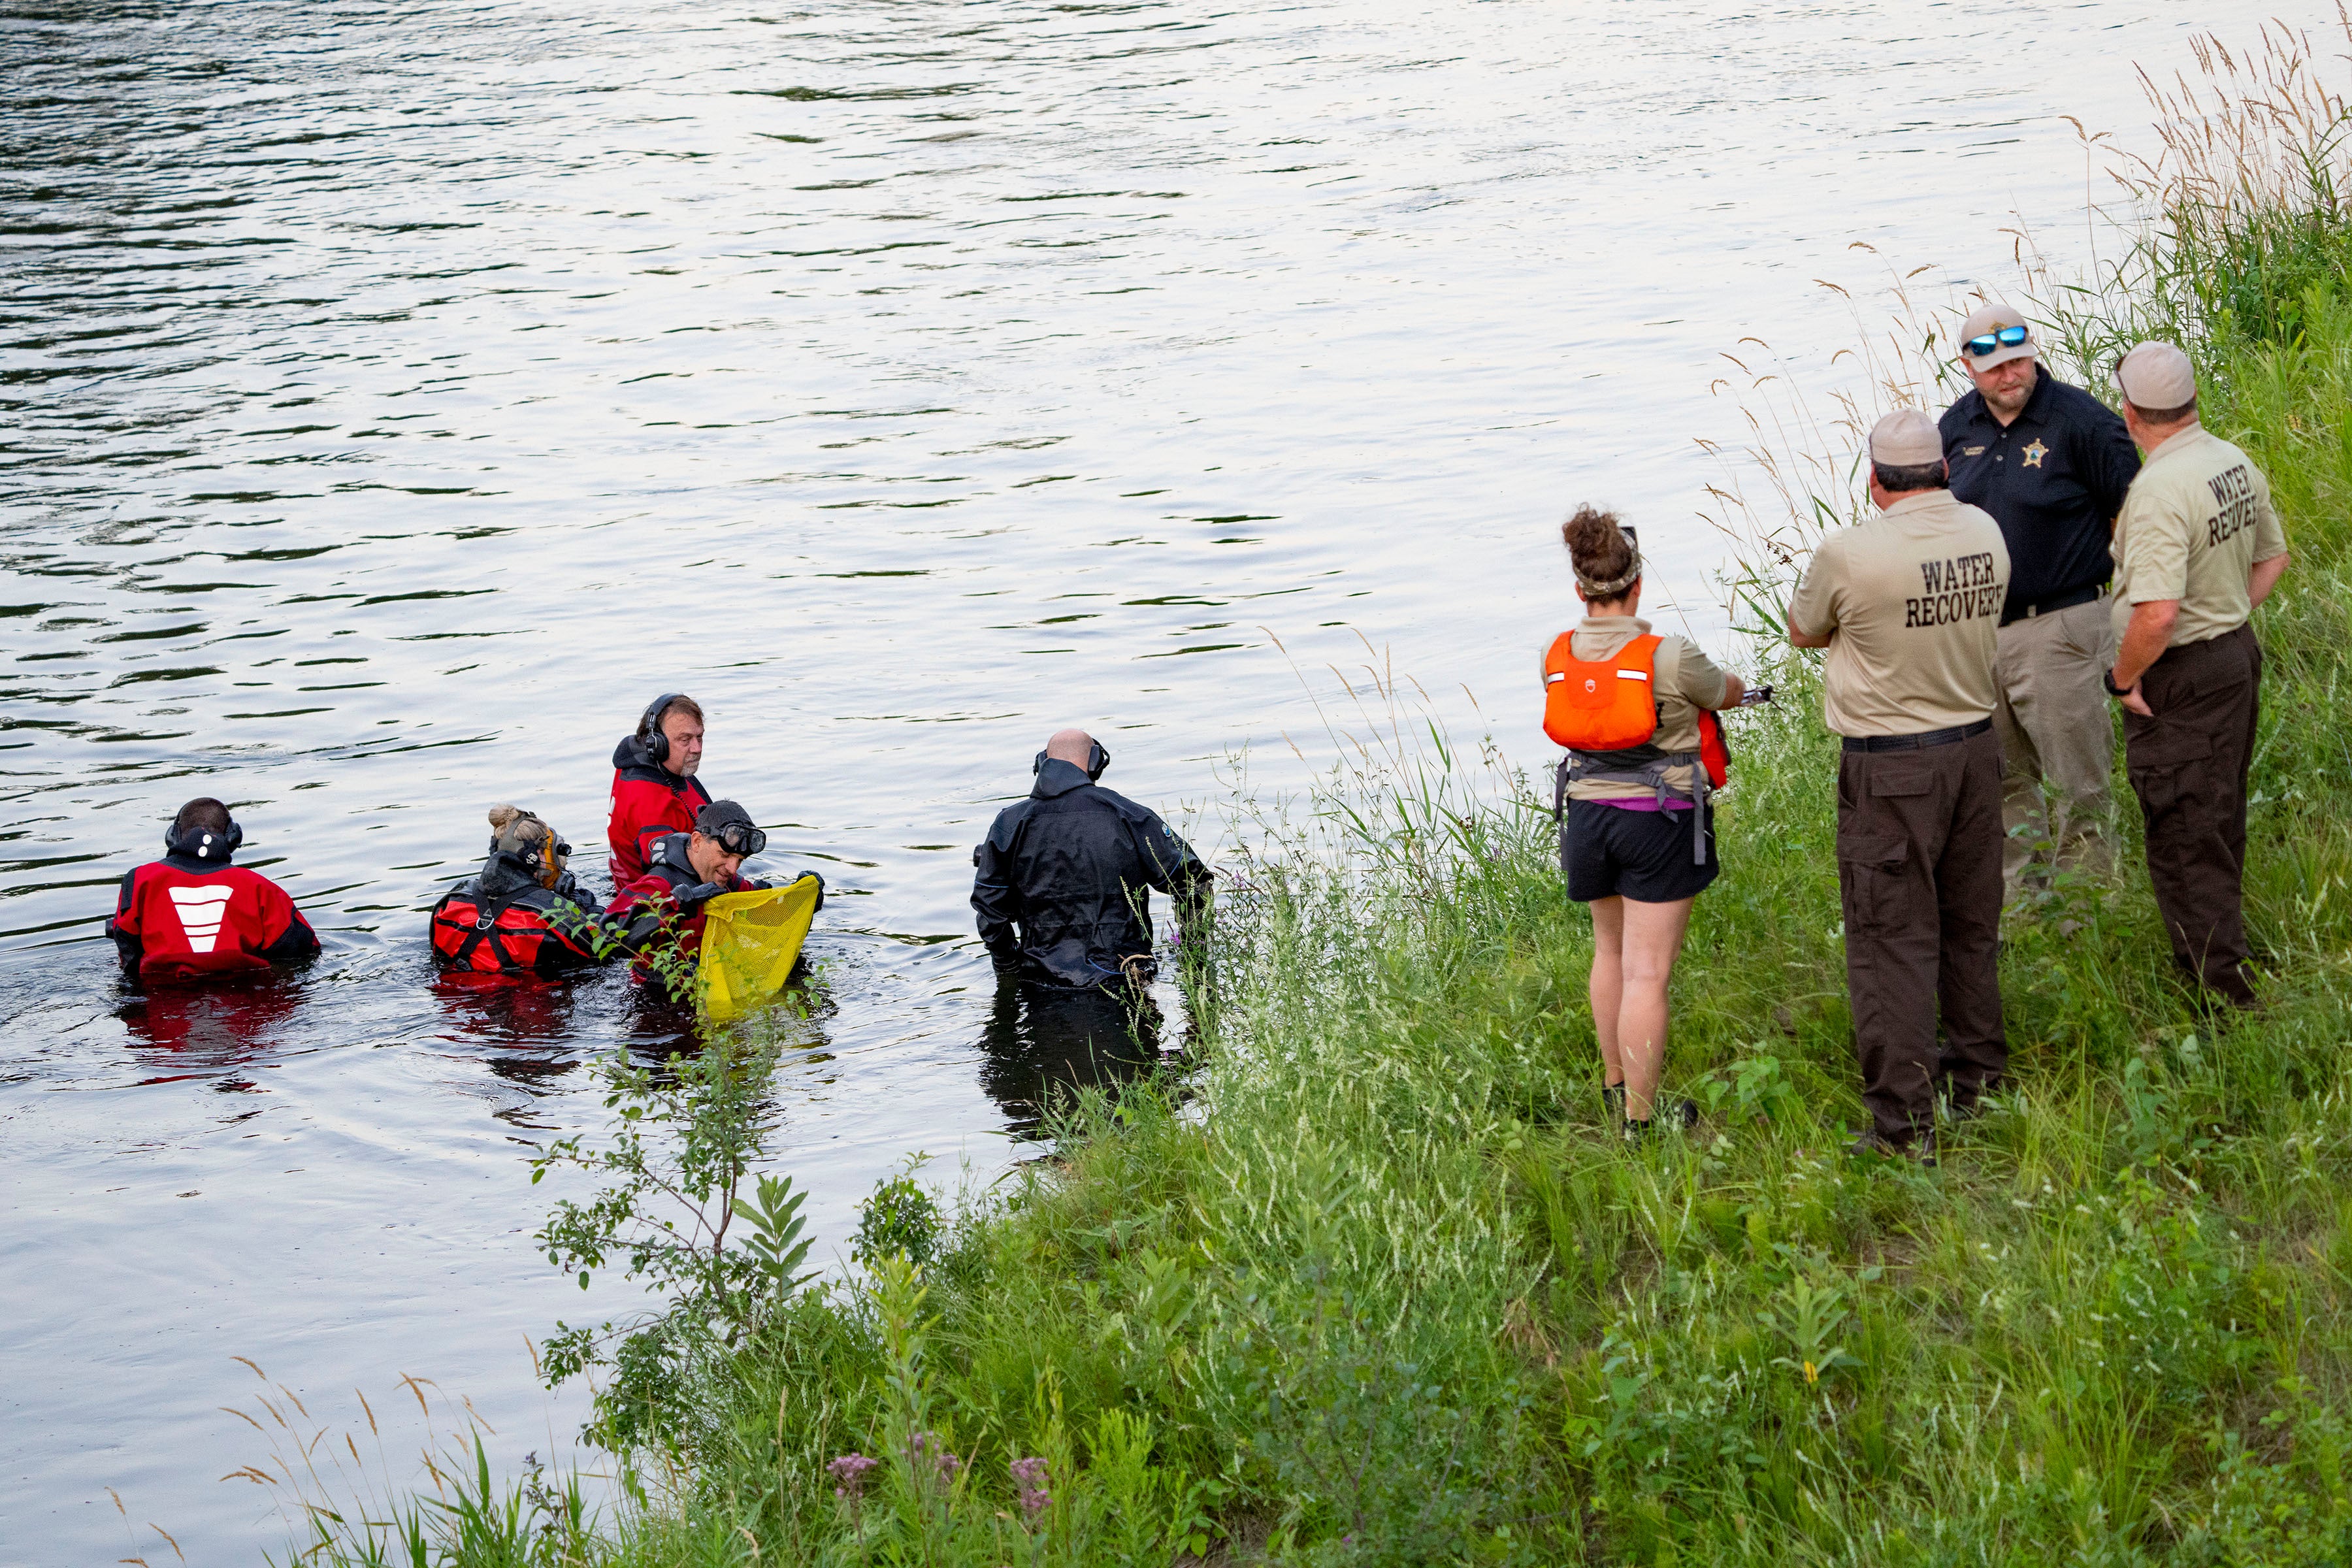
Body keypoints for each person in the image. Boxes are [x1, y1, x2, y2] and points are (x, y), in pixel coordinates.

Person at [1788, 409, 2012, 1161]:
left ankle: (1904, 1127)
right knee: (1970, 922)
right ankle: (1982, 1079)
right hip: (1978, 751)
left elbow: (1805, 629)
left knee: (1890, 940)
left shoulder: (1851, 552)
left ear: (1875, 481)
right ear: (1945, 471)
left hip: (1892, 767)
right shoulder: (1985, 530)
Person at [1543, 508, 1745, 1140]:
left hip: (1589, 817)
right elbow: (1722, 691)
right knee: (1647, 974)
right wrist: (1738, 690)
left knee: (1609, 952)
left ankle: (1613, 1085)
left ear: (1580, 589)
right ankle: (1641, 1123)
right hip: (1658, 820)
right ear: (1638, 584)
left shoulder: (1557, 655)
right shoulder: (1669, 656)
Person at [2104, 341, 2289, 1009]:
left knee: (2184, 828)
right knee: (2218, 812)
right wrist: (2227, 614)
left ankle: (2223, 997)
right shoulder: (2229, 459)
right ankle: (2224, 954)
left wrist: (2123, 680)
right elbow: (2274, 559)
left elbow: (2156, 614)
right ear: (2191, 398)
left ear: (2128, 412)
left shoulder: (2158, 489)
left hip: (2179, 669)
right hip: (2233, 654)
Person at [1940, 302, 2142, 894]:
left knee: (2079, 784)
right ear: (1969, 367)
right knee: (2003, 788)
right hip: (1978, 637)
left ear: (2034, 352)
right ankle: (2028, 920)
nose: (2011, 375)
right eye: (1997, 367)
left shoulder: (2083, 422)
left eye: (2020, 360)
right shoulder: (1954, 430)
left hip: (2064, 624)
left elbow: (2131, 520)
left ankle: (2089, 913)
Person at [972, 730, 1210, 990]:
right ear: (1096, 763)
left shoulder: (1009, 824)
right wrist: (1192, 957)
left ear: (1041, 763)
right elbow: (1193, 882)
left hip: (1040, 984)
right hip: (1125, 977)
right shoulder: (1129, 815)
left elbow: (989, 909)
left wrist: (1008, 967)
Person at [106, 798, 321, 984]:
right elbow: (302, 949)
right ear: (233, 838)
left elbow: (128, 950)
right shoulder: (262, 888)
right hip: (244, 1001)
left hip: (163, 1001)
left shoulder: (139, 881)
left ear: (173, 836)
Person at [606, 800, 819, 976]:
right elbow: (608, 938)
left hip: (708, 988)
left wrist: (805, 901)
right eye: (725, 856)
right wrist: (680, 902)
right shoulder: (660, 885)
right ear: (698, 841)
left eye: (740, 860)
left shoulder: (731, 885)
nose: (732, 868)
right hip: (655, 1000)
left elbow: (775, 928)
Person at [430, 805, 612, 979]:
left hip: (457, 1003)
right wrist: (591, 911)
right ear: (537, 856)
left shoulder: (452, 902)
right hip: (527, 1002)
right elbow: (607, 949)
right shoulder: (549, 914)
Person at [608, 693, 714, 887]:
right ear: (656, 744)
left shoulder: (654, 767)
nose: (697, 748)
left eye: (700, 737)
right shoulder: (649, 801)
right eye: (685, 740)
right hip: (656, 903)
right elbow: (673, 878)